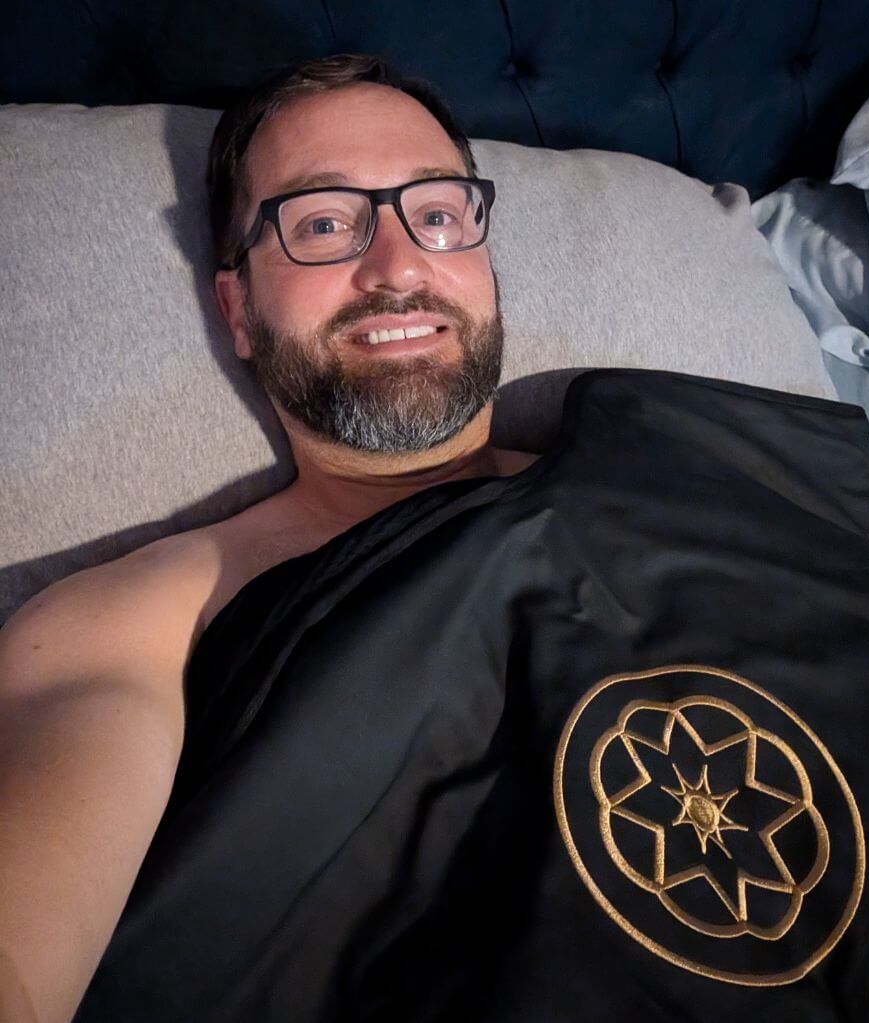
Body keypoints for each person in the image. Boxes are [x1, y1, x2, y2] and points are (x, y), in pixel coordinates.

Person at [0, 54, 539, 1023]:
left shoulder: (685, 454)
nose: (401, 265)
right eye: (325, 223)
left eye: (440, 214)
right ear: (239, 310)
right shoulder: (146, 625)